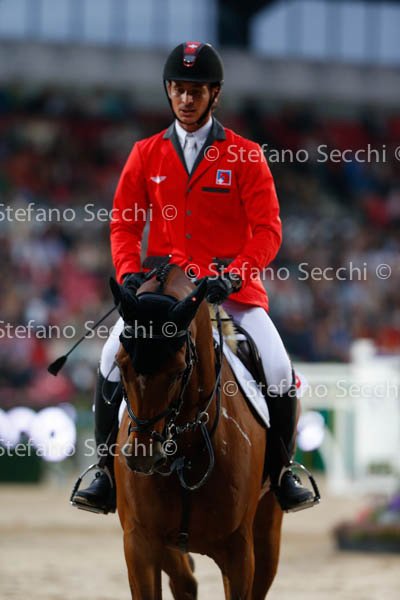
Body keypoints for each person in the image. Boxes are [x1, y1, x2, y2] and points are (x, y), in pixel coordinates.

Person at [72, 41, 317, 514]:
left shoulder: (245, 155)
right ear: (168, 90)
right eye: (179, 90)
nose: (186, 99)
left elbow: (268, 230)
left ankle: (283, 473)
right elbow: (124, 224)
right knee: (108, 359)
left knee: (278, 367)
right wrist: (128, 274)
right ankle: (103, 472)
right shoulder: (145, 153)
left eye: (196, 91)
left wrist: (235, 274)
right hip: (163, 294)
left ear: (214, 94)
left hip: (230, 293)